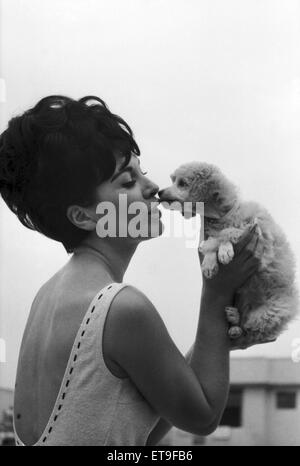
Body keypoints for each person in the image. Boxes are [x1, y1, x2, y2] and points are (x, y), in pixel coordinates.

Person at [0, 95, 265, 446]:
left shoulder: (47, 297)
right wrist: (217, 294)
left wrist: (217, 343)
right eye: (127, 181)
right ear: (84, 215)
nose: (153, 187)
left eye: (142, 171)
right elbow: (203, 417)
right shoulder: (121, 308)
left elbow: (130, 429)